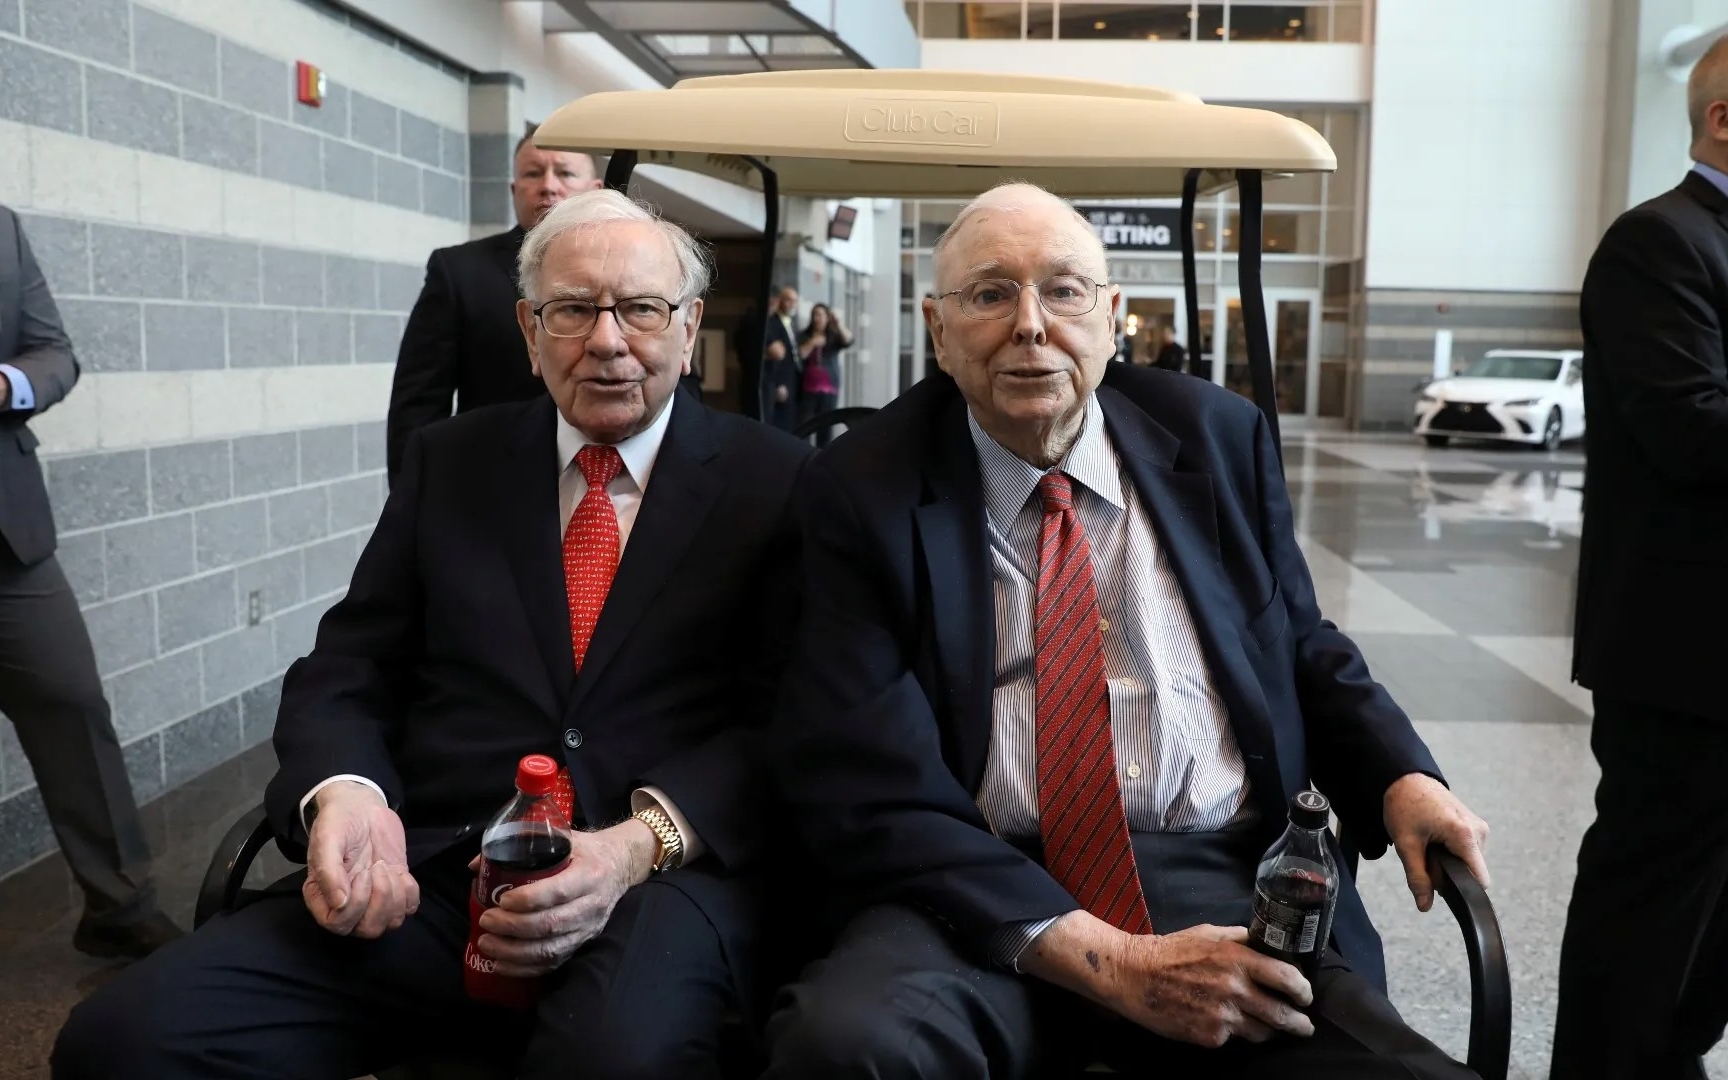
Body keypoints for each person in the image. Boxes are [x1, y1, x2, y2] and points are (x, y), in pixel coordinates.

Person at [54, 190, 811, 1079]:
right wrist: (346, 792)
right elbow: (351, 665)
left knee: (611, 1060)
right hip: (433, 877)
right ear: (530, 333)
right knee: (122, 1042)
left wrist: (639, 842)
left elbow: (794, 718)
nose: (607, 340)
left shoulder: (780, 483)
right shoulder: (452, 461)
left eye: (641, 309)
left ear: (687, 331)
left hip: (652, 886)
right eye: (573, 310)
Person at [764, 183, 1490, 1079]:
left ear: (1112, 316)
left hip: (1219, 871)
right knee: (845, 1050)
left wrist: (1399, 774)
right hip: (973, 886)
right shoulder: (856, 490)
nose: (1031, 324)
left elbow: (1299, 640)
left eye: (1064, 290)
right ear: (937, 330)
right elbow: (867, 778)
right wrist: (1117, 965)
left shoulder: (1217, 437)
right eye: (990, 294)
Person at [1552, 36, 1728, 1080]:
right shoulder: (1659, 242)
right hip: (1686, 657)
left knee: (1712, 913)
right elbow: (1690, 428)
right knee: (1649, 895)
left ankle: (1669, 1056)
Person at [0, 207, 182, 960]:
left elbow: (53, 352)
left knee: (72, 700)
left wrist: (10, 382)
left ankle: (117, 905)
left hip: (9, 539)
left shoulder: (3, 229)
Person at [385, 131, 602, 482]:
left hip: (614, 484)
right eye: (533, 173)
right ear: (514, 190)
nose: (548, 186)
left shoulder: (633, 269)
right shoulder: (459, 271)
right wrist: (413, 505)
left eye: (564, 173)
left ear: (595, 190)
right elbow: (418, 405)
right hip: (492, 482)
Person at [796, 303, 852, 448]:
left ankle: (822, 459)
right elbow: (800, 354)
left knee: (826, 427)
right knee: (805, 425)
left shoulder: (833, 336)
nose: (817, 318)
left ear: (827, 318)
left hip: (829, 389)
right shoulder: (804, 336)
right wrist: (813, 342)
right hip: (808, 389)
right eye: (814, 315)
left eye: (820, 315)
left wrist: (838, 324)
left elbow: (849, 340)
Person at [763, 286, 802, 433]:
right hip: (778, 381)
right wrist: (779, 383)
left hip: (793, 380)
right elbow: (776, 356)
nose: (792, 304)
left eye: (795, 300)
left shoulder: (792, 322)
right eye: (789, 300)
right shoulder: (772, 322)